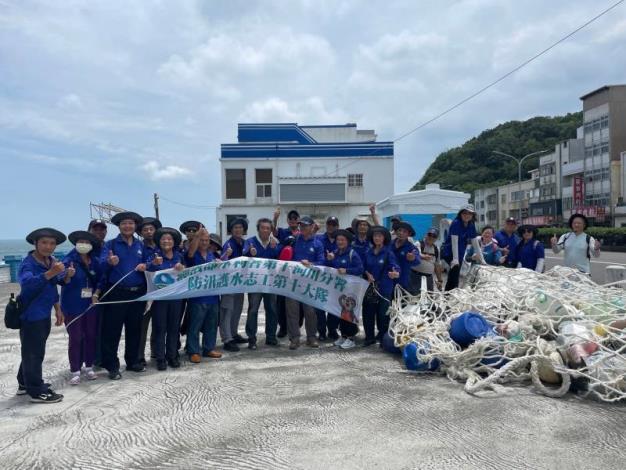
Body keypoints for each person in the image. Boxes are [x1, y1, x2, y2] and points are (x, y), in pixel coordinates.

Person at [17, 228, 66, 403]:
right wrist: (51, 272)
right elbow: (27, 284)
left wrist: (58, 308)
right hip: (31, 315)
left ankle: (24, 383)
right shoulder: (28, 263)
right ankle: (36, 391)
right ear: (35, 243)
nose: (48, 246)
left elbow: (53, 285)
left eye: (52, 243)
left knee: (32, 350)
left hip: (44, 313)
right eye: (44, 242)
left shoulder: (49, 260)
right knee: (34, 353)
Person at [98, 211, 148, 380]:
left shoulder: (140, 246)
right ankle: (112, 366)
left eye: (131, 223)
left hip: (137, 293)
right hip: (117, 293)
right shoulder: (110, 245)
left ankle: (133, 361)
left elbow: (149, 264)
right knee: (112, 331)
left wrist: (147, 265)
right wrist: (109, 262)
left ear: (135, 227)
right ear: (119, 226)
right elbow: (100, 264)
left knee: (135, 329)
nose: (128, 226)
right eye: (124, 223)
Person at [60, 231, 103, 385]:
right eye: (81, 241)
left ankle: (89, 366)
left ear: (91, 245)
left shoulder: (95, 261)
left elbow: (100, 280)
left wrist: (96, 294)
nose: (83, 244)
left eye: (87, 242)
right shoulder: (68, 260)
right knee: (76, 337)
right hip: (72, 305)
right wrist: (68, 275)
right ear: (76, 243)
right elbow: (60, 279)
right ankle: (75, 370)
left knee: (91, 335)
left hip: (90, 305)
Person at [148, 228, 185, 370]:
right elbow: (147, 270)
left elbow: (186, 272)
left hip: (176, 298)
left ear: (174, 241)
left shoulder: (179, 256)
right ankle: (160, 358)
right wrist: (154, 264)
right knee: (160, 328)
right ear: (159, 241)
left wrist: (182, 268)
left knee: (174, 328)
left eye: (169, 239)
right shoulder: (154, 255)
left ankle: (172, 356)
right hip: (160, 299)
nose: (166, 241)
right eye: (163, 239)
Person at [243, 218, 282, 349]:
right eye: (262, 227)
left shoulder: (275, 242)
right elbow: (243, 256)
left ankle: (271, 337)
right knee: (253, 310)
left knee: (271, 309)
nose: (265, 230)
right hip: (254, 283)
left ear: (271, 230)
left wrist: (273, 248)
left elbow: (279, 259)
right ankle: (251, 339)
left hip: (270, 283)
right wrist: (250, 253)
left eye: (268, 228)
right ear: (258, 229)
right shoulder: (250, 241)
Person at [286, 216, 324, 350]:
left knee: (310, 312)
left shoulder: (318, 243)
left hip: (310, 283)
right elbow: (284, 254)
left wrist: (311, 264)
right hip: (293, 282)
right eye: (301, 225)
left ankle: (311, 337)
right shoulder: (295, 240)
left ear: (312, 227)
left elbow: (322, 262)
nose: (303, 228)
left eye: (306, 226)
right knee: (292, 311)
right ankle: (294, 339)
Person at [185, 228, 223, 363]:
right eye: (202, 240)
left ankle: (209, 348)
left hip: (213, 297)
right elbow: (190, 252)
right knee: (195, 325)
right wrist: (196, 236)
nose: (204, 242)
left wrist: (221, 264)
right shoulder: (192, 255)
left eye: (207, 240)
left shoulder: (213, 255)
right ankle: (193, 351)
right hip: (197, 297)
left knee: (211, 325)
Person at [325, 230, 364, 349]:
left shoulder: (353, 254)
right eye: (338, 240)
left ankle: (351, 338)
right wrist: (329, 259)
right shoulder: (335, 252)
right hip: (338, 289)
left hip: (351, 290)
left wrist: (347, 271)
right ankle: (343, 335)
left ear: (347, 241)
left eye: (342, 240)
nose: (340, 242)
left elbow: (360, 269)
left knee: (349, 313)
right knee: (340, 313)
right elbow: (330, 268)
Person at [363, 226, 400, 346]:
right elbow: (363, 267)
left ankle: (383, 338)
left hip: (385, 288)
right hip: (370, 287)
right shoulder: (368, 252)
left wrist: (395, 273)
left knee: (383, 314)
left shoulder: (388, 252)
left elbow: (395, 266)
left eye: (379, 236)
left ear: (384, 238)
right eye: (375, 236)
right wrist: (367, 274)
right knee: (368, 312)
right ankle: (369, 337)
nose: (377, 238)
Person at [219, 217, 248, 351]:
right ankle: (227, 339)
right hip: (229, 284)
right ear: (231, 230)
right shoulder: (228, 244)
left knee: (237, 310)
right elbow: (221, 262)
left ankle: (234, 333)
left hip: (240, 283)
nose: (238, 230)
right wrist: (226, 255)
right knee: (227, 311)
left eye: (240, 227)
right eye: (235, 227)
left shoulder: (245, 243)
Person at [137, 217, 162, 366]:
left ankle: (157, 352)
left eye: (151, 229)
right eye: (145, 229)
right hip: (144, 291)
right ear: (141, 232)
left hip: (160, 291)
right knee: (142, 326)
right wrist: (149, 264)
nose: (148, 232)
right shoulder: (138, 248)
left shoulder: (163, 246)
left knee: (159, 325)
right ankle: (139, 355)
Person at [441, 204, 478, 290]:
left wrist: (482, 259)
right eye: (464, 213)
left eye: (470, 214)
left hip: (460, 254)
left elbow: (475, 242)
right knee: (454, 275)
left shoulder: (471, 225)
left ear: (472, 216)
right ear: (460, 214)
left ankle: (447, 295)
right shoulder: (456, 223)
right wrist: (455, 259)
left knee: (452, 276)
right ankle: (453, 293)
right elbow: (454, 242)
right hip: (450, 253)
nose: (467, 215)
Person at [315, 216, 339, 341]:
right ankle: (322, 331)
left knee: (334, 305)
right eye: (329, 224)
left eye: (334, 224)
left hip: (336, 279)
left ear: (337, 226)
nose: (331, 227)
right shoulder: (318, 238)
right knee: (319, 306)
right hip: (321, 278)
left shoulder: (341, 240)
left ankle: (332, 330)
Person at [391, 221, 421, 293]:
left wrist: (412, 258)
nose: (401, 233)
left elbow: (417, 260)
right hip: (387, 281)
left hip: (402, 282)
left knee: (401, 303)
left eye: (404, 231)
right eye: (399, 230)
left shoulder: (411, 248)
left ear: (409, 234)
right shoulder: (389, 244)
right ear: (396, 231)